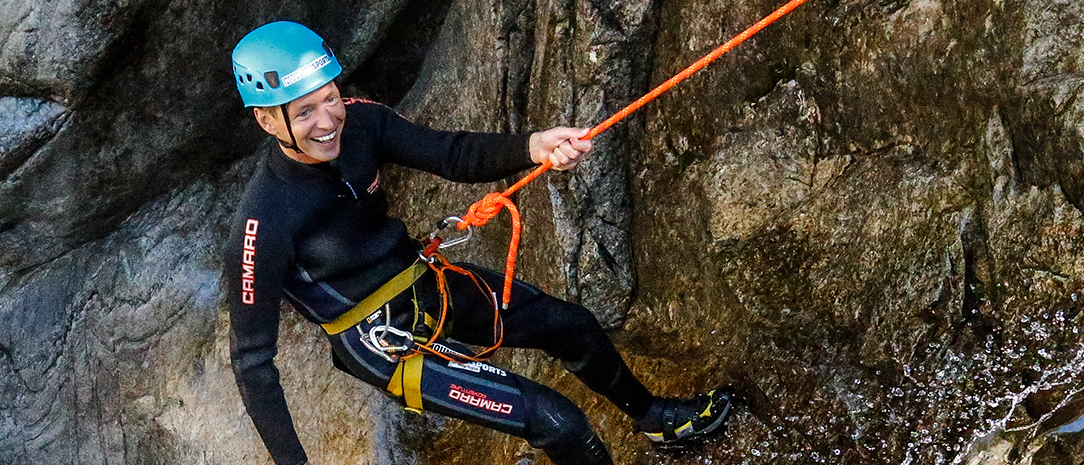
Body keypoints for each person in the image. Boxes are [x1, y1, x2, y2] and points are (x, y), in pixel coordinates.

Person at [223, 21, 732, 465]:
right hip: (380, 340)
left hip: (422, 284)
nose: (329, 120)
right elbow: (252, 360)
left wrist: (533, 146)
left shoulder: (363, 123)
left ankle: (656, 420)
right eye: (305, 111)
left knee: (570, 325)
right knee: (558, 422)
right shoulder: (262, 223)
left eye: (330, 97)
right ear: (267, 120)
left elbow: (452, 154)